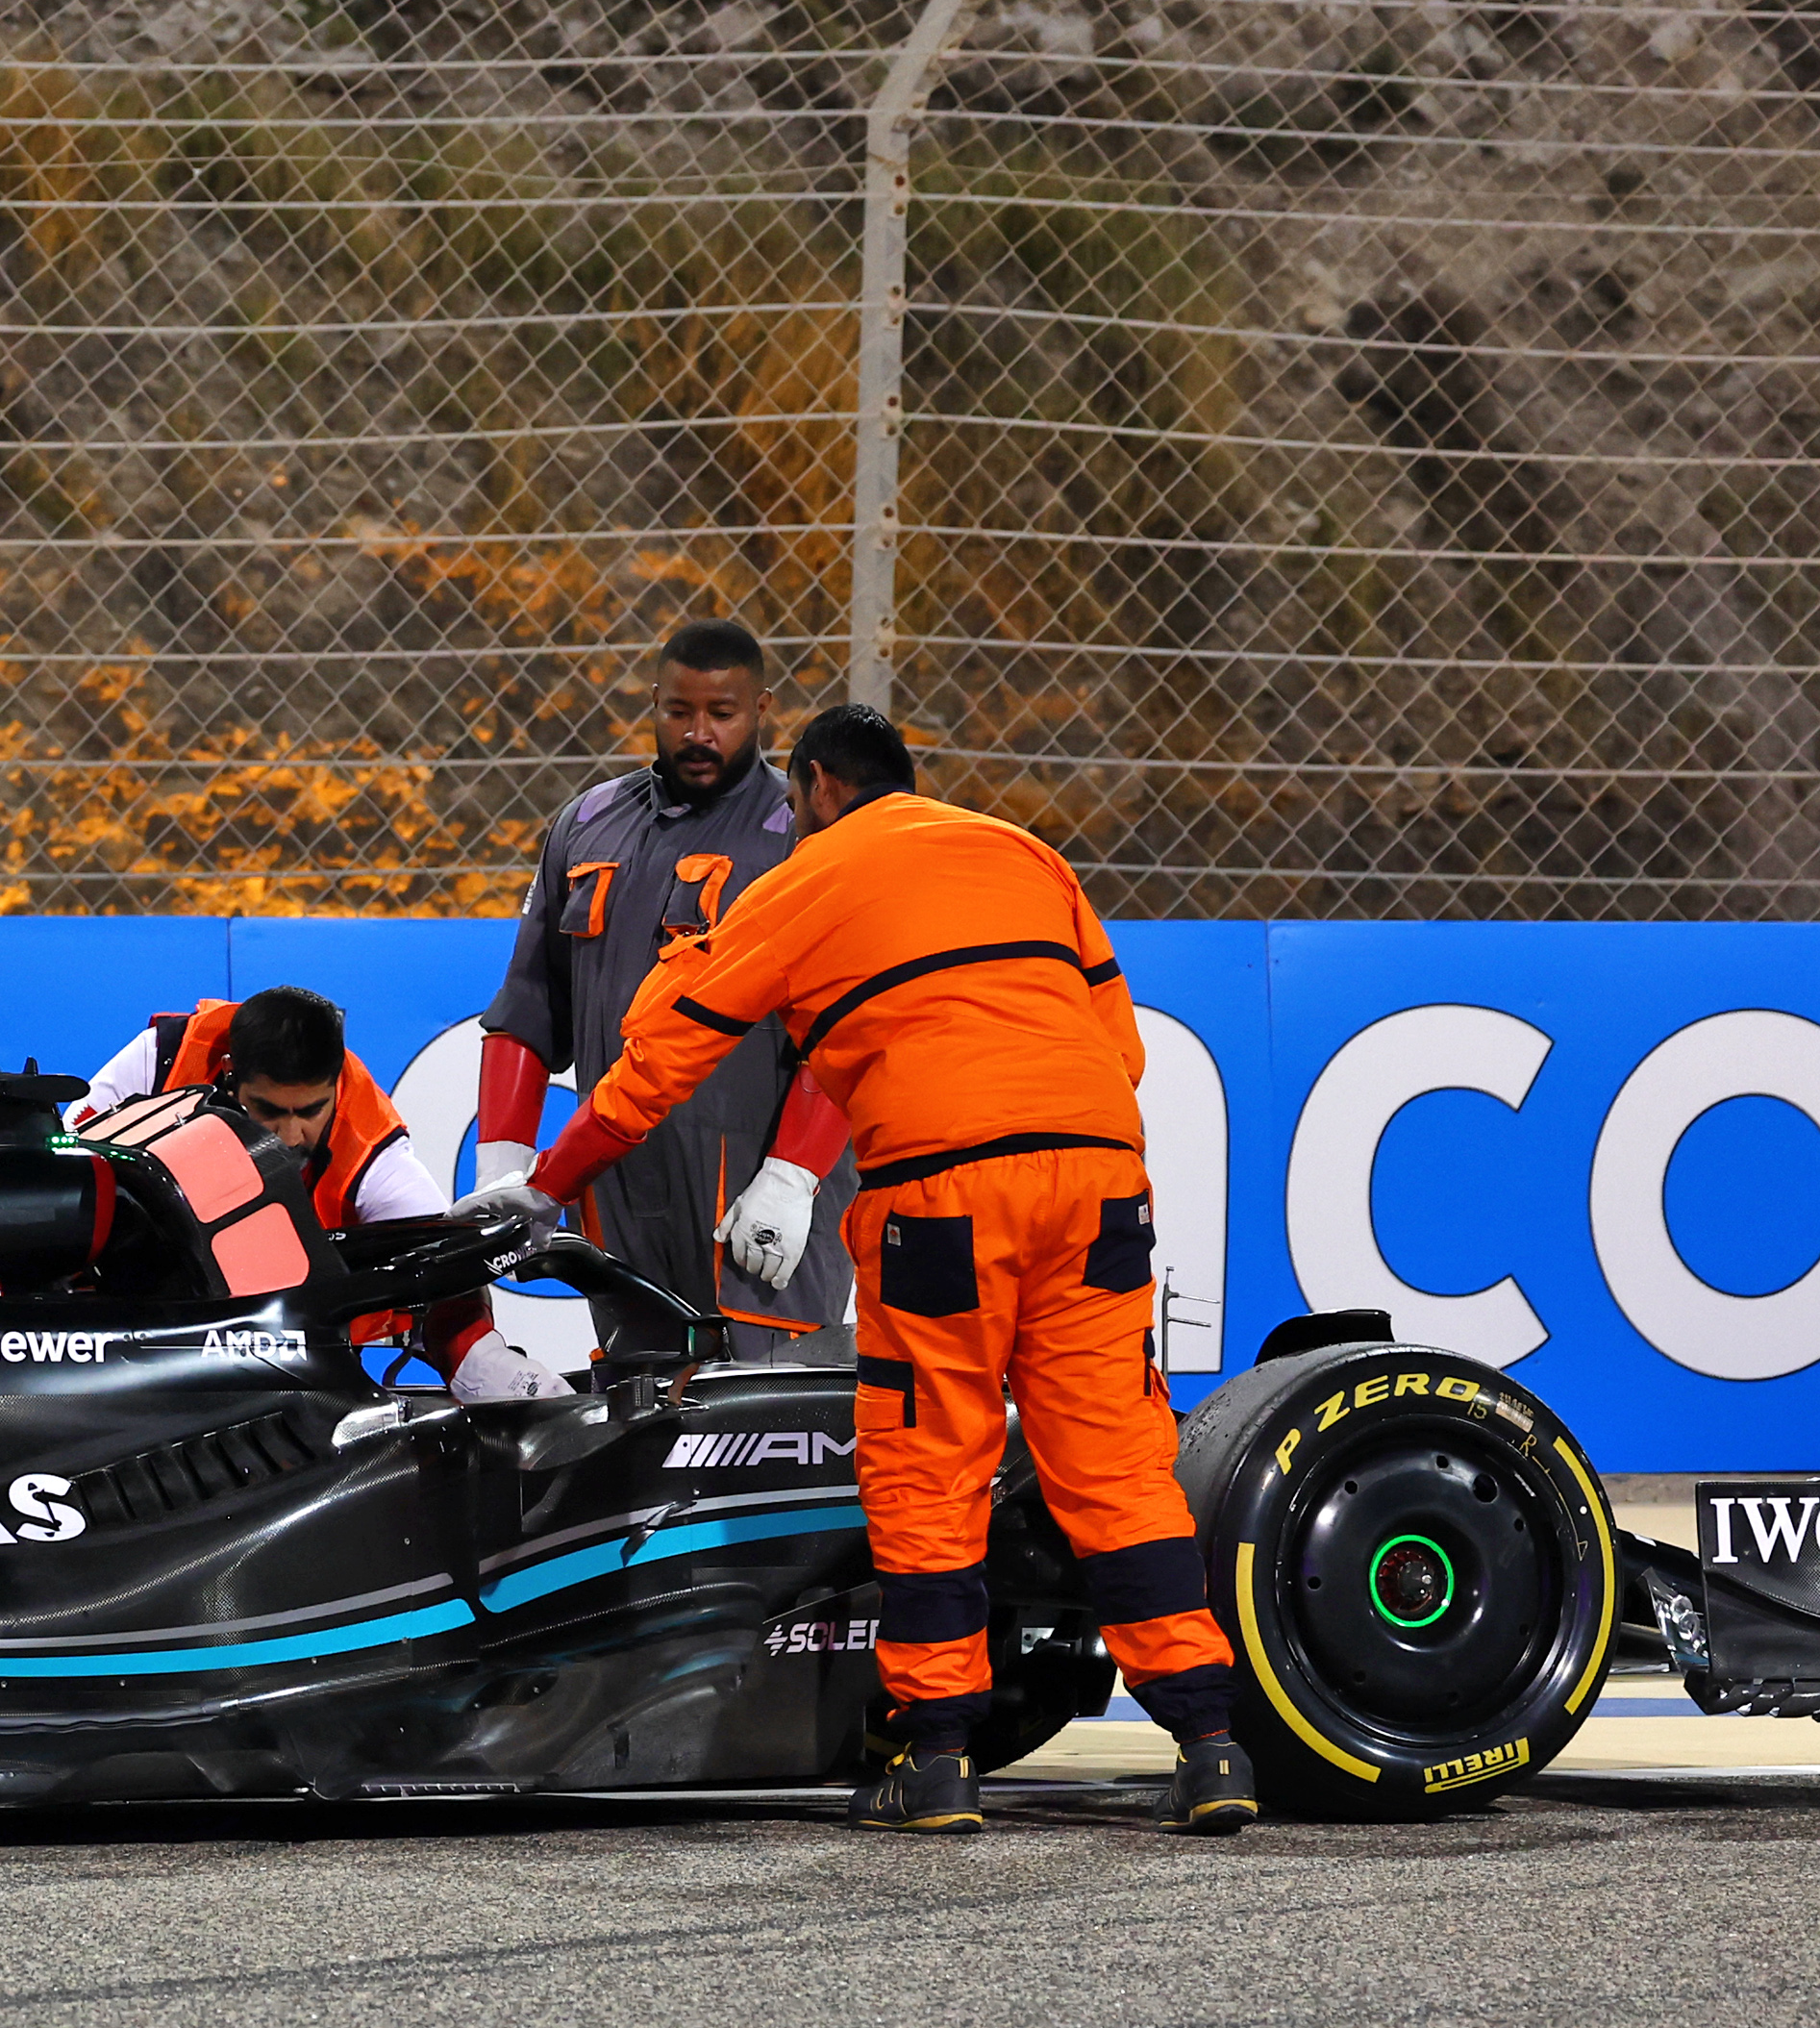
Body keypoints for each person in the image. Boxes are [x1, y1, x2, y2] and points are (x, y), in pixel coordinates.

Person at [470, 704, 1256, 1840]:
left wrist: (547, 1179)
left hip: (938, 1193)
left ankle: (935, 1759)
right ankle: (1210, 1743)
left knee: (929, 1461)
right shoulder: (1024, 852)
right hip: (1098, 1185)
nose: (787, 822)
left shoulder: (802, 880)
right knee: (1116, 1464)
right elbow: (1118, 1045)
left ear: (820, 785)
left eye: (793, 805)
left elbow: (658, 1062)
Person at [474, 616, 849, 1364]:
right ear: (652, 703)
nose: (697, 733)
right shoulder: (584, 824)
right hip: (622, 1187)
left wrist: (793, 1175)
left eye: (721, 713)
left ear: (762, 709)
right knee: (637, 1404)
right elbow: (526, 1008)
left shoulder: (805, 836)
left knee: (770, 1423)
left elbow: (846, 1027)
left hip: (757, 1189)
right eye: (678, 711)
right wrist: (502, 1170)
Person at [76, 988, 561, 1403]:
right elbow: (65, 1160)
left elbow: (441, 1271)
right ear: (227, 1072)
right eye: (267, 1110)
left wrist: (482, 1364)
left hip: (276, 1346)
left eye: (310, 1111)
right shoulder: (162, 1058)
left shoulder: (371, 1145)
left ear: (336, 1086)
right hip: (135, 1310)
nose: (290, 1135)